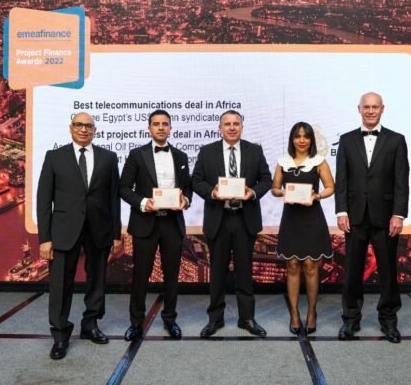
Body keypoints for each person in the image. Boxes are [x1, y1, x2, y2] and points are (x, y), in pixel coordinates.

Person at [37, 112, 121, 360]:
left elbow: (114, 198)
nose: (84, 129)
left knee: (97, 281)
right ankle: (60, 334)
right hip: (63, 231)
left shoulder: (108, 158)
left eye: (89, 126)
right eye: (79, 125)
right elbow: (44, 200)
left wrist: (116, 233)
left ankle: (90, 325)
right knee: (60, 283)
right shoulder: (54, 157)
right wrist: (44, 238)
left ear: (95, 130)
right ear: (71, 128)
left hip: (99, 229)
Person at [335, 92, 409, 343]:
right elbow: (341, 179)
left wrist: (398, 214)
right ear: (359, 109)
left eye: (374, 107)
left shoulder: (396, 140)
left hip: (386, 217)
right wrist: (341, 211)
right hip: (354, 217)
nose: (370, 111)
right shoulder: (346, 140)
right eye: (366, 106)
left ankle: (389, 321)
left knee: (388, 272)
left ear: (382, 109)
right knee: (352, 272)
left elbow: (401, 180)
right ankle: (350, 320)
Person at [191, 110, 272, 337]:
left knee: (244, 272)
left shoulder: (254, 150)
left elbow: (266, 179)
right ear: (220, 128)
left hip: (245, 219)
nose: (232, 127)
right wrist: (213, 192)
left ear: (242, 127)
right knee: (217, 273)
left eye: (236, 123)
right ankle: (215, 319)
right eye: (227, 124)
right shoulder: (207, 152)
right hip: (219, 219)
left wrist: (253, 192)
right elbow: (196, 181)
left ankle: (247, 318)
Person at [119, 110, 192, 340]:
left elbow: (187, 187)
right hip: (145, 223)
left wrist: (185, 200)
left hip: (172, 223)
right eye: (156, 124)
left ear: (170, 128)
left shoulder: (181, 156)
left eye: (165, 124)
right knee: (141, 275)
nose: (161, 127)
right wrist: (143, 203)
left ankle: (170, 319)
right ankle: (136, 322)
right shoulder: (136, 155)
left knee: (172, 275)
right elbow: (123, 188)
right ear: (149, 128)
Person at [271, 122, 334, 335]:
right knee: (292, 265)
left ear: (311, 140)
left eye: (305, 136)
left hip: (312, 218)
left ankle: (312, 312)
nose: (301, 140)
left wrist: (317, 195)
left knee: (310, 266)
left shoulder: (319, 161)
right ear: (292, 139)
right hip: (291, 219)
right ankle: (294, 314)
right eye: (297, 136)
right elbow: (274, 188)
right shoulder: (283, 161)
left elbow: (331, 187)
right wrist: (282, 192)